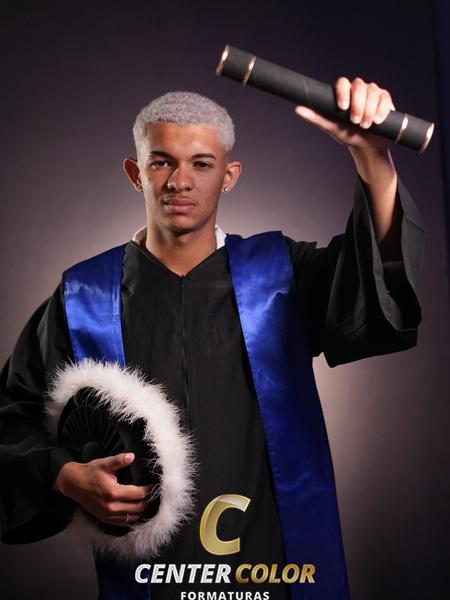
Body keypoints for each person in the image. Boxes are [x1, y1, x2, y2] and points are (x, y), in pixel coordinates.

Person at [0, 78, 424, 600]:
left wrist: (372, 157)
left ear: (229, 176)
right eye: (161, 162)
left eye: (202, 163)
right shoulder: (84, 296)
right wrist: (66, 476)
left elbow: (374, 281)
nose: (180, 181)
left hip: (274, 567)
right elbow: (11, 418)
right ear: (135, 173)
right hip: (153, 576)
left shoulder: (278, 275)